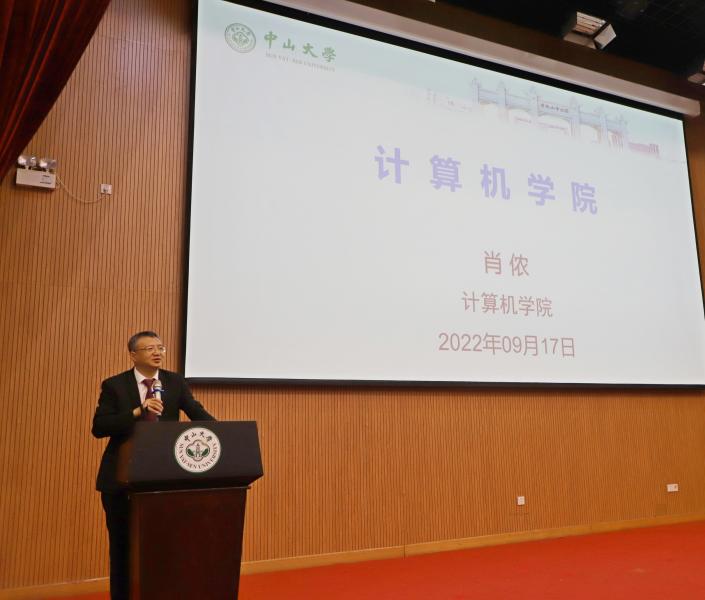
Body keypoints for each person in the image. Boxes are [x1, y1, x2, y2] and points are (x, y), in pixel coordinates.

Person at [92, 331, 215, 600]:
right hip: (121, 479)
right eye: (149, 348)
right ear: (133, 355)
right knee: (122, 547)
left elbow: (197, 412)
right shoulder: (115, 385)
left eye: (160, 348)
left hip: (163, 478)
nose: (157, 352)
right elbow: (100, 427)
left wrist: (222, 435)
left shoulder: (174, 382)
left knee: (164, 546)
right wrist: (138, 411)